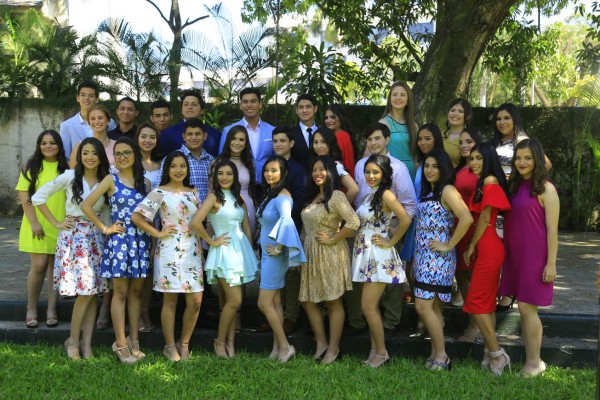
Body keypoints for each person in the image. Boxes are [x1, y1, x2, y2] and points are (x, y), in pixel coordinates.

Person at [31, 137, 110, 359]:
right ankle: (73, 342)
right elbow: (38, 197)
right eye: (85, 153)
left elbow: (104, 212)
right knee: (84, 292)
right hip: (74, 238)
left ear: (100, 155)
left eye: (94, 153)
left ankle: (87, 344)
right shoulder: (69, 176)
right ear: (79, 156)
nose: (90, 157)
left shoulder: (106, 178)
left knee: (93, 293)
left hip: (96, 237)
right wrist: (56, 223)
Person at [81, 137, 151, 365]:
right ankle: (120, 344)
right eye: (118, 154)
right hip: (120, 242)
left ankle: (134, 341)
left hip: (140, 242)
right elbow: (86, 205)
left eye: (127, 153)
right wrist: (104, 227)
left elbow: (148, 216)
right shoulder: (111, 179)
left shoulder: (145, 183)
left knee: (136, 294)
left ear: (135, 155)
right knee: (119, 293)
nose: (122, 157)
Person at [132, 151, 203, 362]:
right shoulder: (159, 192)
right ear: (167, 169)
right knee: (170, 301)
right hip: (169, 251)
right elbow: (137, 216)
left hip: (192, 251)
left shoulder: (194, 192)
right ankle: (169, 346)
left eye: (182, 166)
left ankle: (185, 343)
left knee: (195, 301)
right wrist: (158, 233)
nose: (178, 170)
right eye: (174, 166)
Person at [501, 139, 559, 377]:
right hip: (514, 254)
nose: (522, 162)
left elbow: (553, 230)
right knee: (522, 308)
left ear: (537, 159)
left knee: (526, 307)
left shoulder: (546, 188)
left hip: (536, 256)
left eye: (527, 158)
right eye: (518, 158)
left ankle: (535, 363)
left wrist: (551, 263)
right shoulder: (513, 185)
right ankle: (532, 361)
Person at [352, 123, 417, 333]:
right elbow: (360, 200)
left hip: (386, 231)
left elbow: (409, 205)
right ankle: (372, 324)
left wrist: (392, 232)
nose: (373, 143)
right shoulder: (361, 164)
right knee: (368, 284)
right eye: (369, 139)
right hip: (364, 234)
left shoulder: (398, 167)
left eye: (377, 138)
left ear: (387, 140)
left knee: (391, 282)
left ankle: (390, 323)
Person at [192, 158, 258, 359]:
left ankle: (230, 343)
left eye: (229, 173)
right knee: (235, 300)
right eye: (220, 174)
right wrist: (211, 242)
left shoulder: (238, 197)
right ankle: (219, 341)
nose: (224, 177)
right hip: (223, 253)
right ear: (214, 177)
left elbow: (246, 225)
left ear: (235, 177)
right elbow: (196, 222)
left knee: (227, 302)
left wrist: (250, 250)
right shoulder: (213, 197)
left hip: (240, 252)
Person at [413, 149, 473, 371]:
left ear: (444, 169)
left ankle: (442, 355)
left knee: (422, 307)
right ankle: (434, 355)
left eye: (434, 166)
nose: (429, 170)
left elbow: (465, 217)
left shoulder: (447, 190)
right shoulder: (429, 190)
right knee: (435, 308)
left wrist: (449, 245)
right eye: (426, 166)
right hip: (423, 259)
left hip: (438, 261)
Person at [352, 154, 411, 368]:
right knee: (370, 306)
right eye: (367, 172)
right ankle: (374, 350)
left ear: (384, 174)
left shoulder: (386, 194)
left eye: (375, 172)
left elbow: (405, 218)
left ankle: (382, 353)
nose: (371, 176)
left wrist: (391, 241)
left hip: (378, 255)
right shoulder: (371, 196)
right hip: (366, 254)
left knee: (367, 306)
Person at [490, 103, 551, 311]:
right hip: (502, 199)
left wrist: (524, 181)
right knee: (503, 244)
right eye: (499, 118)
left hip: (518, 194)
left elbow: (545, 164)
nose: (502, 122)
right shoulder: (495, 142)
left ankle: (508, 294)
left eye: (507, 118)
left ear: (515, 119)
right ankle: (504, 288)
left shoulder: (523, 141)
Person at [299, 156, 359, 364]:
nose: (317, 173)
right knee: (308, 300)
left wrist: (334, 237)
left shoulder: (336, 196)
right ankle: (321, 343)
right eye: (314, 170)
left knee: (333, 301)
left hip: (330, 252)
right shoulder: (313, 196)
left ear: (331, 172)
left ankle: (334, 349)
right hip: (310, 254)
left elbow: (354, 222)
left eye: (322, 170)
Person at [463, 142, 512, 376]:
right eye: (472, 158)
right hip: (488, 246)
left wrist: (471, 245)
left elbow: (484, 219)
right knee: (486, 303)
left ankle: (498, 354)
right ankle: (487, 353)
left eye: (479, 158)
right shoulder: (484, 183)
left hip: (489, 245)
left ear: (489, 159)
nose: (474, 162)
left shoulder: (490, 183)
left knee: (475, 302)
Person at [256, 156, 306, 363]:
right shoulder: (271, 194)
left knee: (263, 303)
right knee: (275, 302)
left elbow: (287, 221)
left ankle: (286, 346)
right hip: (267, 255)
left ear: (283, 173)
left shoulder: (283, 195)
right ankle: (277, 348)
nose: (269, 173)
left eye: (274, 170)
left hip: (274, 256)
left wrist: (278, 247)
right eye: (267, 170)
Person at [17, 130, 68, 329]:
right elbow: (25, 197)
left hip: (59, 223)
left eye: (52, 143)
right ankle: (31, 309)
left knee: (55, 269)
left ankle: (52, 310)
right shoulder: (31, 166)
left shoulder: (66, 168)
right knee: (38, 267)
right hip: (35, 223)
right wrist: (34, 222)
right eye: (44, 143)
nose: (48, 146)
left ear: (59, 145)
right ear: (39, 145)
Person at [399, 123, 444, 337]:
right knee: (413, 271)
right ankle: (422, 319)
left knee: (432, 279)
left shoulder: (440, 164)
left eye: (428, 138)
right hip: (417, 224)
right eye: (420, 139)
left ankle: (431, 322)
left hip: (434, 227)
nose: (423, 142)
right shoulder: (420, 166)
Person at [267, 127, 308, 335]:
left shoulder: (299, 170)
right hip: (271, 230)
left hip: (291, 227)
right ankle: (276, 315)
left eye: (283, 140)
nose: (278, 144)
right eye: (275, 141)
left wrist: (286, 223)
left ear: (291, 143)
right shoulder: (269, 166)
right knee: (276, 273)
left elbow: (300, 201)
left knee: (292, 273)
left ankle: (291, 317)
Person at [454, 127, 484, 342]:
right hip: (458, 226)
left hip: (474, 225)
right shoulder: (459, 169)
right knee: (462, 274)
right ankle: (473, 320)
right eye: (461, 142)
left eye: (469, 141)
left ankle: (477, 325)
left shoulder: (481, 169)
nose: (464, 145)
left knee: (473, 275)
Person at [135, 123, 163, 333]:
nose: (147, 140)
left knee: (147, 271)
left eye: (152, 137)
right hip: (132, 221)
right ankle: (131, 315)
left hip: (154, 221)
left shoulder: (161, 165)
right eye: (143, 136)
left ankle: (144, 311)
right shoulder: (128, 161)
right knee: (133, 273)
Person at [219, 88, 275, 183]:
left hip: (267, 184)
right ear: (240, 106)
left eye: (253, 101)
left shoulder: (272, 130)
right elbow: (222, 160)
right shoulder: (228, 131)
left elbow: (276, 159)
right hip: (239, 186)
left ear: (260, 104)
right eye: (245, 102)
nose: (249, 105)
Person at [214, 126, 258, 235]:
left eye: (241, 140)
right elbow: (212, 189)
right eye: (234, 138)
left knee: (246, 244)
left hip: (247, 207)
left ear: (246, 143)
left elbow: (253, 190)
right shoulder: (217, 163)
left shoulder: (249, 163)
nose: (237, 142)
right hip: (224, 207)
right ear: (228, 140)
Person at [60, 80, 116, 158]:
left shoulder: (109, 122)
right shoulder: (66, 125)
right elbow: (65, 157)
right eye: (83, 95)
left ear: (97, 99)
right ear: (78, 98)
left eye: (91, 96)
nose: (86, 98)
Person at [160, 90, 221, 157]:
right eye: (186, 104)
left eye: (194, 104)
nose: (189, 107)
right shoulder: (168, 134)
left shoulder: (215, 135)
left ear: (202, 111)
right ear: (181, 110)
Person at [378, 81, 418, 180]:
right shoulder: (384, 123)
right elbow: (372, 152)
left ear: (408, 99)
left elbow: (416, 157)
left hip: (410, 174)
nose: (398, 98)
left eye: (402, 95)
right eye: (395, 94)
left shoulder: (414, 126)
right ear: (390, 99)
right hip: (391, 173)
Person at [310, 126, 359, 204]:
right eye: (316, 142)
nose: (319, 146)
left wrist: (339, 209)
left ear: (330, 143)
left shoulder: (336, 165)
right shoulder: (313, 163)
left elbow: (354, 189)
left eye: (323, 142)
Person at [176, 118, 213, 204]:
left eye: (197, 134)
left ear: (205, 136)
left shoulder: (211, 160)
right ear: (184, 136)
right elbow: (161, 189)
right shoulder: (172, 159)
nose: (194, 138)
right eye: (189, 134)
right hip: (182, 213)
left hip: (208, 214)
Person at [324, 104, 356, 177]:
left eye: (333, 117)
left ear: (341, 118)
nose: (328, 121)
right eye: (326, 118)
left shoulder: (340, 136)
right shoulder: (343, 135)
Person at [290, 94, 319, 170]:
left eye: (308, 107)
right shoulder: (290, 134)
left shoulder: (323, 133)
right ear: (297, 110)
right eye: (301, 107)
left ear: (315, 109)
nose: (304, 110)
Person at [443, 98, 472, 167]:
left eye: (460, 111)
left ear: (467, 116)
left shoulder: (469, 138)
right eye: (452, 110)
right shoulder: (440, 133)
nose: (455, 114)